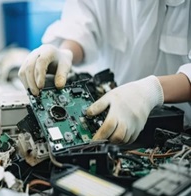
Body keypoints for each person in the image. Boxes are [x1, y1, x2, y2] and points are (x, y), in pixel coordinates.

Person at [18, 0, 191, 143]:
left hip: (183, 130)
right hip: (111, 115)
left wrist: (152, 91)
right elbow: (81, 24)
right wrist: (65, 53)